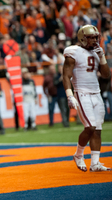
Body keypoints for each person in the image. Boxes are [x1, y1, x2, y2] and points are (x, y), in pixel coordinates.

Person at [63, 25, 111, 172]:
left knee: (97, 130)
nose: (95, 40)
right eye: (92, 37)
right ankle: (78, 154)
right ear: (83, 38)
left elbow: (106, 75)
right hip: (82, 93)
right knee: (90, 127)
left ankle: (95, 163)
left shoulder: (97, 52)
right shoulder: (74, 51)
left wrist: (102, 57)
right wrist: (70, 95)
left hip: (96, 93)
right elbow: (66, 75)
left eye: (96, 37)